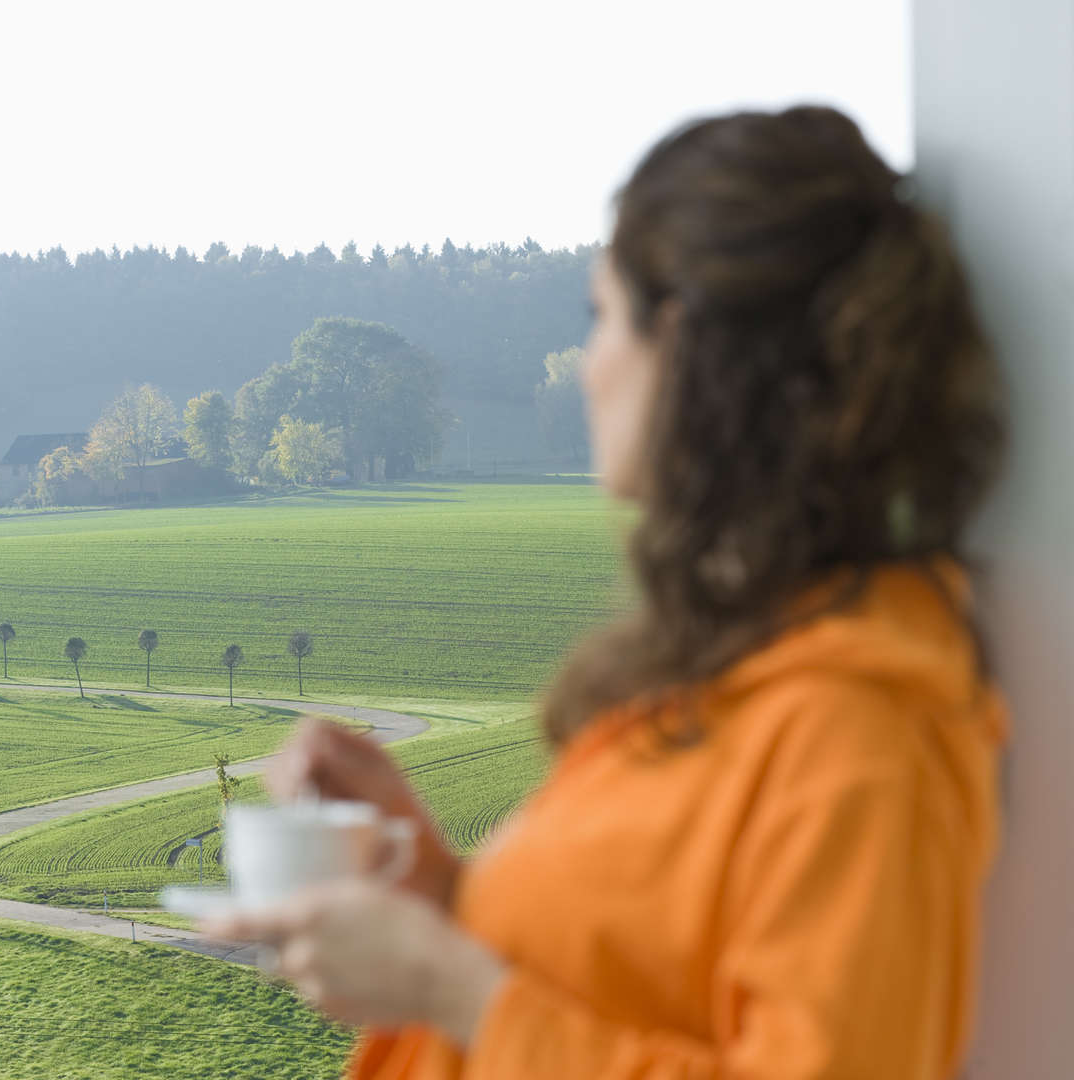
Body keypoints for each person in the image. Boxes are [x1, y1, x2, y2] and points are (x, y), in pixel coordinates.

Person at [203, 105, 1008, 1078]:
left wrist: (451, 990)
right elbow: (624, 979)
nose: (588, 367)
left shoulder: (855, 729)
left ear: (681, 350)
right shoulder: (746, 671)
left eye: (598, 316)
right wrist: (441, 887)